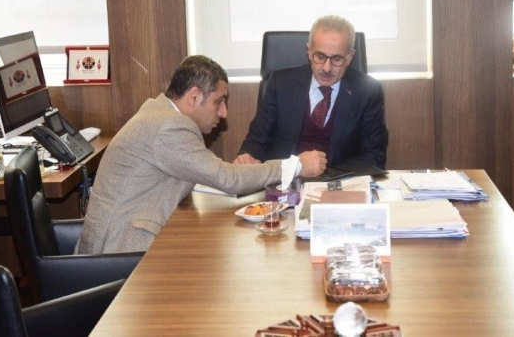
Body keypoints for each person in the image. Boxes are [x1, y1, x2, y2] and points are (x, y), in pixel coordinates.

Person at [76, 55, 326, 254]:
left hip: (118, 243)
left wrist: (240, 173)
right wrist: (295, 166)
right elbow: (227, 179)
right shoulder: (170, 126)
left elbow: (209, 175)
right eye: (219, 101)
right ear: (194, 96)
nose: (224, 112)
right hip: (120, 253)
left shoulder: (159, 112)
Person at [234, 15, 388, 169]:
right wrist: (248, 156)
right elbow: (258, 140)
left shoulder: (368, 91)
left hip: (339, 180)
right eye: (320, 56)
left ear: (350, 57)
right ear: (308, 51)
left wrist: (328, 176)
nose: (326, 68)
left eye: (337, 59)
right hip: (284, 180)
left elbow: (374, 156)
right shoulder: (281, 83)